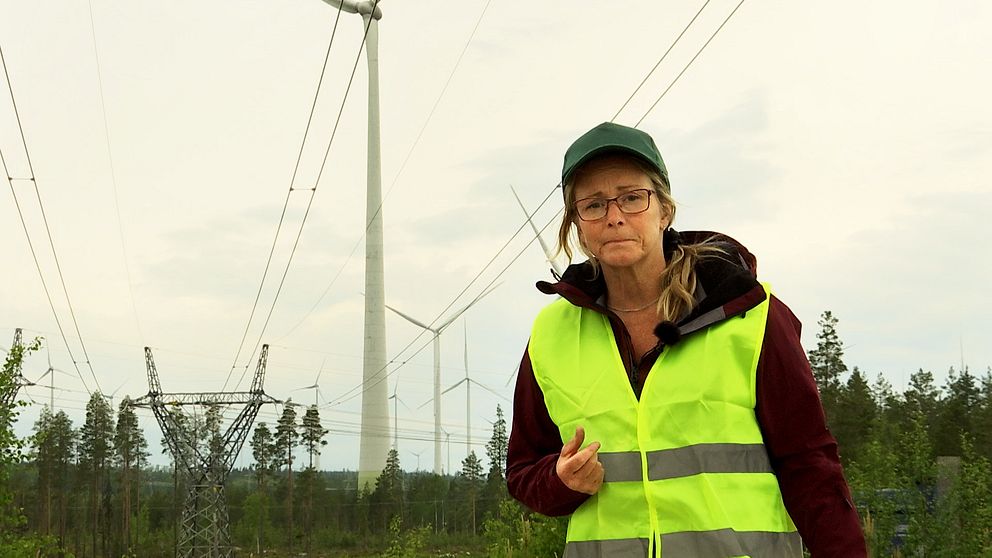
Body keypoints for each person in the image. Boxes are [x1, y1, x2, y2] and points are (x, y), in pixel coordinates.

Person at [506, 122, 867, 557]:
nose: (615, 216)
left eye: (632, 197)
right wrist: (560, 483)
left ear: (665, 210)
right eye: (594, 204)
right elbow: (524, 470)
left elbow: (811, 467)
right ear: (578, 226)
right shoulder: (551, 335)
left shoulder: (750, 315)